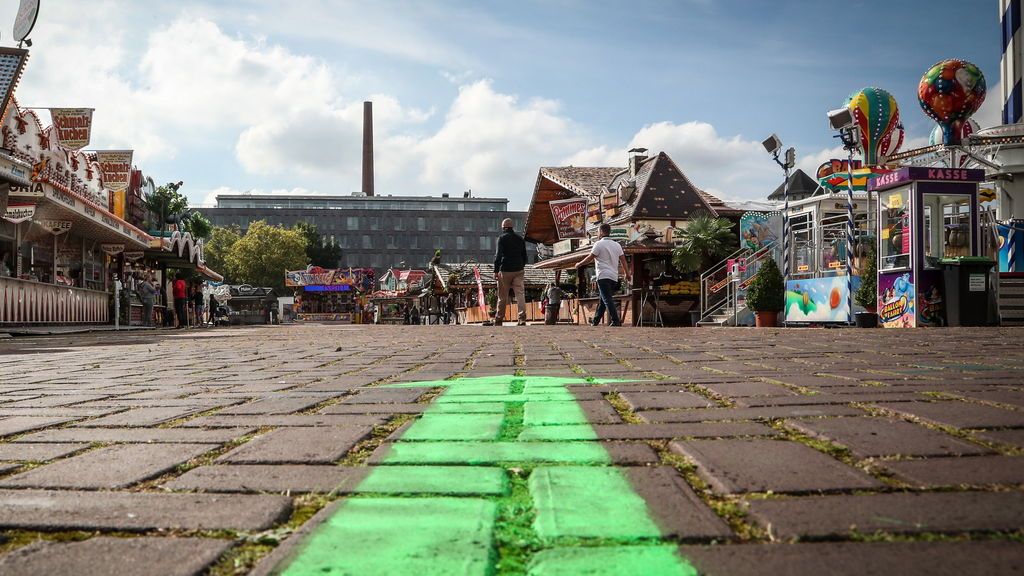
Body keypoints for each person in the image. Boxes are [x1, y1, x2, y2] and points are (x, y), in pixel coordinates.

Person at [575, 223, 632, 326]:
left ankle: (615, 320)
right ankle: (595, 321)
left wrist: (579, 264)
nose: (597, 233)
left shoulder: (599, 244)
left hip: (603, 276)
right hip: (614, 277)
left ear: (601, 232)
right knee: (603, 300)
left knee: (607, 299)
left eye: (598, 231)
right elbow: (623, 260)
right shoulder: (617, 245)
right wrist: (627, 273)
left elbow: (590, 258)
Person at [493, 217, 528, 326]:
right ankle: (522, 318)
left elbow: (498, 256)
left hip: (505, 270)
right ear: (512, 227)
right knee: (520, 294)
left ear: (503, 228)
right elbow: (525, 256)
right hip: (519, 270)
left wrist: (496, 270)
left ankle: (499, 318)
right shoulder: (520, 239)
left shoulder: (501, 238)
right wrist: (521, 266)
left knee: (502, 296)